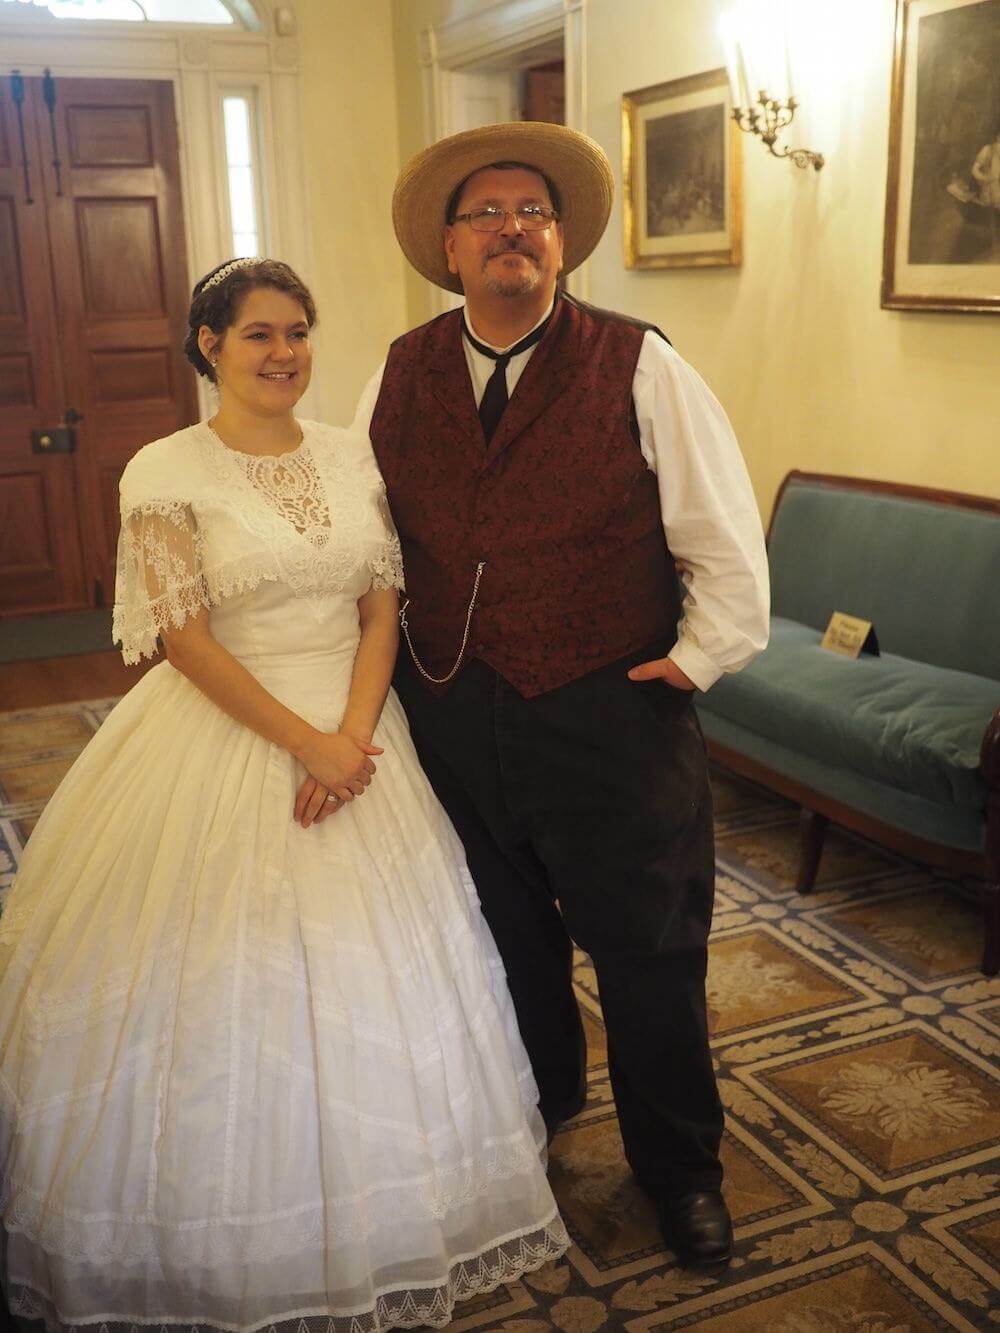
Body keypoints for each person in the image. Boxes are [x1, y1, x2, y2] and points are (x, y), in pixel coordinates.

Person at [0, 258, 568, 1332]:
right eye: (259, 333)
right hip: (226, 729)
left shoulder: (354, 455)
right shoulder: (166, 468)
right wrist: (304, 742)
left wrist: (352, 741)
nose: (284, 354)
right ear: (208, 344)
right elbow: (184, 639)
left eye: (299, 332)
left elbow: (381, 610)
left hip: (359, 738)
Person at [338, 123, 769, 1273]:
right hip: (452, 710)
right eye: (486, 213)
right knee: (505, 937)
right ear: (449, 245)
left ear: (562, 240)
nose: (510, 229)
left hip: (609, 716)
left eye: (532, 211)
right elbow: (368, 530)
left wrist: (695, 659)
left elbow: (722, 536)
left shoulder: (640, 361)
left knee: (650, 957)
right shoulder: (400, 366)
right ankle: (542, 1106)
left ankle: (683, 1174)